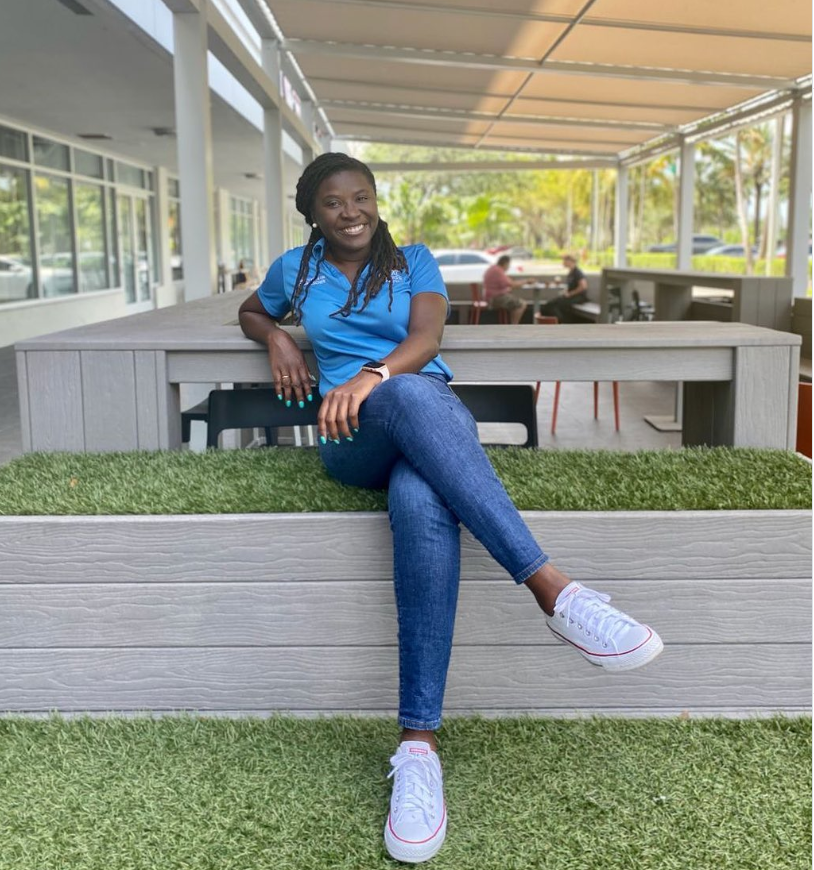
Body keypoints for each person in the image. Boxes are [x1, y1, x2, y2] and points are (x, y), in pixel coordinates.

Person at [238, 153, 663, 865]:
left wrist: (373, 375)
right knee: (402, 402)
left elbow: (426, 341)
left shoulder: (415, 262)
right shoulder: (295, 269)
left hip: (424, 416)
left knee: (419, 488)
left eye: (363, 198)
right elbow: (251, 309)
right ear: (313, 212)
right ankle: (554, 591)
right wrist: (278, 336)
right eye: (336, 202)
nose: (353, 212)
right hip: (351, 438)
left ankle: (418, 750)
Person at [539, 253, 589, 323]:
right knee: (550, 304)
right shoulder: (570, 273)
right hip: (570, 296)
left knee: (556, 305)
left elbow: (583, 286)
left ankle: (563, 322)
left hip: (578, 297)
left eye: (565, 261)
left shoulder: (577, 272)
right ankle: (557, 322)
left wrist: (570, 294)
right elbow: (570, 286)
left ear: (570, 261)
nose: (563, 262)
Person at [482, 254, 529, 324]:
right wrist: (526, 281)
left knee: (514, 303)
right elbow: (511, 284)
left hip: (490, 297)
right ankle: (514, 325)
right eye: (508, 265)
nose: (508, 267)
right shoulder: (498, 271)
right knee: (522, 304)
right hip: (495, 299)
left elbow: (505, 284)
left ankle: (512, 324)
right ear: (505, 263)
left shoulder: (493, 269)